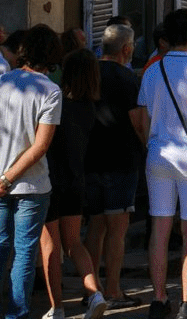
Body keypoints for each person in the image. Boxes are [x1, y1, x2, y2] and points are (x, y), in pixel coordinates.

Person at [133, 9, 187, 319]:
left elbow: (142, 117)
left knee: (159, 228)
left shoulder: (151, 71)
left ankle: (158, 300)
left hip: (159, 154)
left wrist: (151, 143)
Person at [0, 26, 62, 319]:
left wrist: (4, 177)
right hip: (31, 185)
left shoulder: (3, 82)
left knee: (1, 249)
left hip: (1, 180)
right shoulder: (50, 90)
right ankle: (16, 314)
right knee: (24, 253)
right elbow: (40, 146)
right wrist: (10, 177)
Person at [40, 49, 106, 319]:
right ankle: (95, 293)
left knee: (50, 245)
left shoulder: (57, 103)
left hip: (50, 181)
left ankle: (56, 307)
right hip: (76, 182)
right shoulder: (89, 108)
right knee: (73, 243)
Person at [84, 24, 144, 309]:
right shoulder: (126, 77)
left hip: (89, 160)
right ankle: (113, 290)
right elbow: (137, 120)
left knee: (95, 227)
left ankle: (91, 289)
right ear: (126, 48)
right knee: (117, 230)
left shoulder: (88, 72)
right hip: (121, 161)